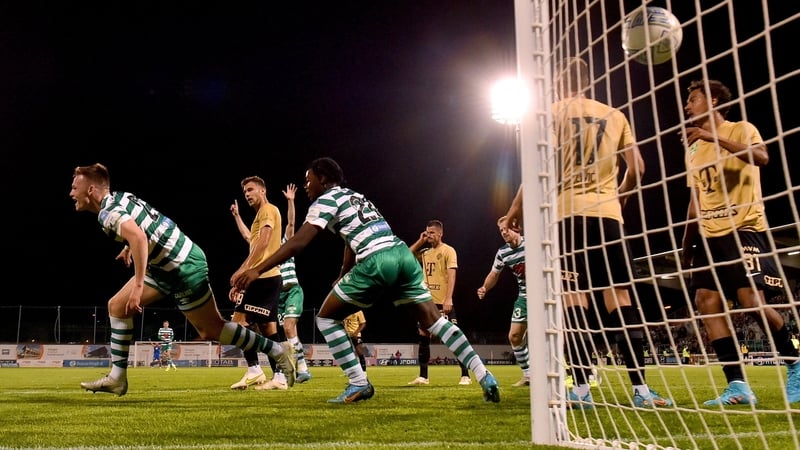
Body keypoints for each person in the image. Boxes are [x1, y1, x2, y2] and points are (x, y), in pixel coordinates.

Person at [232, 157, 499, 403]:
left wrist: (256, 270)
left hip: (377, 259)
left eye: (308, 178)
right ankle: (483, 374)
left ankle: (358, 382)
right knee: (435, 321)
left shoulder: (325, 200)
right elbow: (351, 241)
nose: (306, 184)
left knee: (325, 318)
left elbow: (298, 243)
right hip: (402, 254)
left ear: (323, 179)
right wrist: (342, 274)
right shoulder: (356, 196)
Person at [503, 57, 672, 409]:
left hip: (567, 218)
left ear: (561, 82)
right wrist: (617, 198)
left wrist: (515, 208)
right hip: (608, 216)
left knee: (574, 300)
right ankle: (641, 389)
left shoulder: (551, 112)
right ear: (589, 80)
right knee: (620, 299)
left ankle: (581, 389)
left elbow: (537, 168)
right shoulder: (615, 114)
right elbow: (638, 169)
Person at [71, 163, 295, 397]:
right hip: (166, 266)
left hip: (183, 265)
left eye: (75, 187)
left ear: (91, 190)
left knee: (213, 329)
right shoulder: (120, 197)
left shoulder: (108, 213)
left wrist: (137, 285)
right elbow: (144, 226)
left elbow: (138, 236)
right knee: (116, 306)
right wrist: (129, 246)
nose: (71, 193)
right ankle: (117, 378)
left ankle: (277, 350)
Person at [680, 78, 800, 406]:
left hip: (744, 227)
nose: (687, 105)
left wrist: (711, 136)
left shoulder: (740, 128)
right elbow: (696, 200)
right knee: (706, 302)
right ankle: (737, 385)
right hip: (709, 235)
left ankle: (795, 364)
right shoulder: (692, 148)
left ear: (714, 101)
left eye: (693, 98)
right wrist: (686, 246)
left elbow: (761, 157)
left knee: (751, 301)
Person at [228, 176, 291, 391]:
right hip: (267, 277)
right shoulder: (260, 216)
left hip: (263, 277)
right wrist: (237, 217)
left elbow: (263, 243)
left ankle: (255, 369)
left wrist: (243, 271)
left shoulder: (267, 210)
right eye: (245, 191)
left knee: (238, 324)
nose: (247, 194)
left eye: (251, 189)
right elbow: (252, 239)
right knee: (268, 328)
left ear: (263, 191)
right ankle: (280, 377)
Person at [407, 220, 471, 386]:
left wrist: (448, 298)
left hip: (443, 302)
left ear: (441, 233)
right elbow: (406, 255)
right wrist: (421, 240)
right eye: (427, 232)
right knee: (423, 337)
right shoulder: (425, 252)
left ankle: (465, 375)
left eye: (432, 233)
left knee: (454, 336)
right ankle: (423, 376)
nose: (429, 235)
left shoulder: (449, 250)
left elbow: (451, 275)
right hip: (427, 303)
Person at [477, 216, 530, 387]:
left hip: (545, 296)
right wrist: (485, 288)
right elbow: (494, 274)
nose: (503, 232)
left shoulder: (532, 243)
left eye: (506, 228)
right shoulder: (503, 252)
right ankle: (529, 375)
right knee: (514, 336)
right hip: (524, 297)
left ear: (517, 228)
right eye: (501, 230)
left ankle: (584, 371)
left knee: (559, 336)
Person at [277, 183, 312, 383]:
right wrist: (237, 217)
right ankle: (301, 369)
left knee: (289, 327)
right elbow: (248, 236)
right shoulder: (266, 251)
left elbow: (291, 225)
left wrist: (291, 201)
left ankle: (302, 367)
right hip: (278, 296)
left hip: (292, 290)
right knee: (288, 333)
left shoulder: (284, 243)